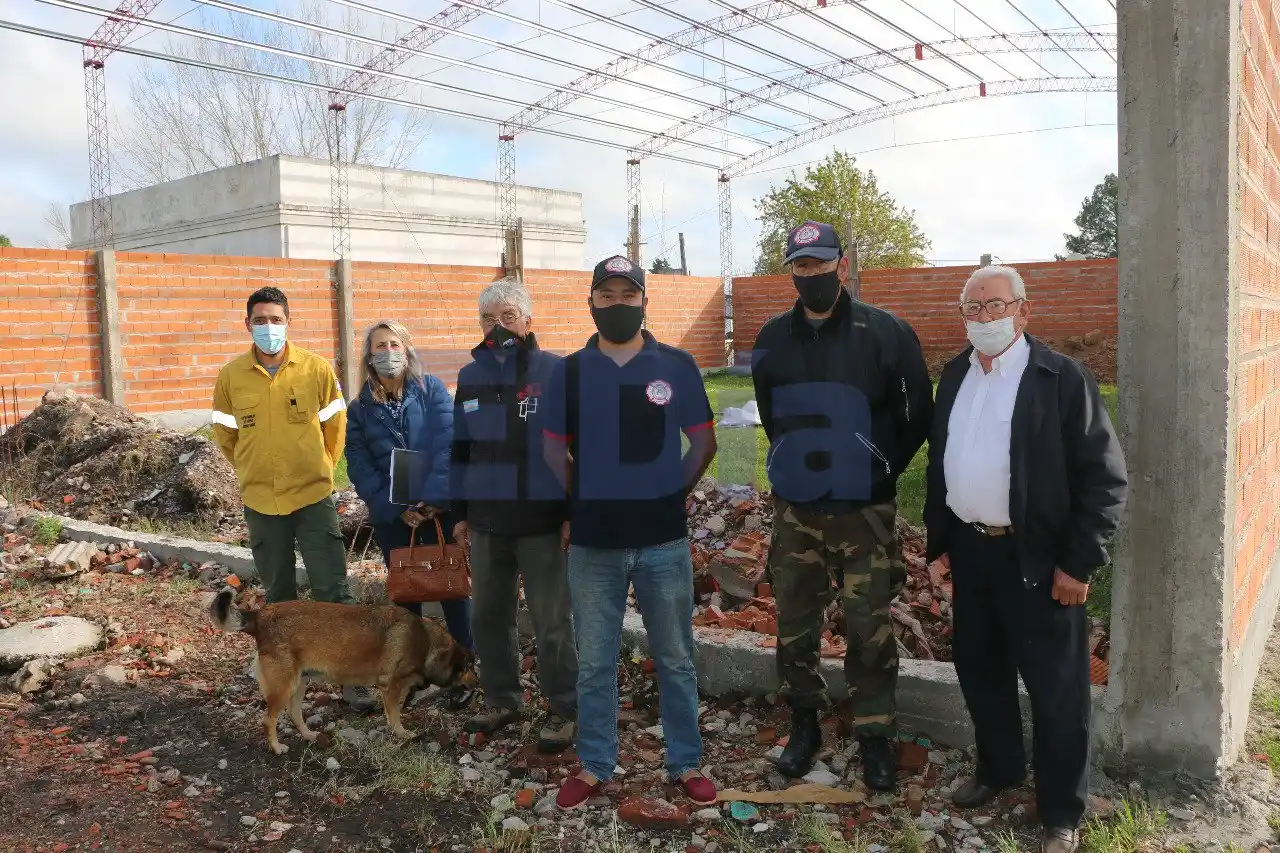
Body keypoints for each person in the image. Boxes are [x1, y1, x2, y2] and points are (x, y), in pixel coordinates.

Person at [924, 265, 1127, 853]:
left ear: (1023, 311)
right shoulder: (957, 374)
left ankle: (1061, 809)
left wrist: (1078, 563)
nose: (983, 319)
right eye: (972, 309)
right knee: (979, 667)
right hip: (971, 550)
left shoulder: (1060, 378)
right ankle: (1000, 768)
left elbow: (1104, 479)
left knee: (1057, 687)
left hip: (1039, 558)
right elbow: (943, 463)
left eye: (994, 306)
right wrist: (940, 545)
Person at [750, 221, 933, 791]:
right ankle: (804, 725)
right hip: (797, 510)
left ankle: (875, 735)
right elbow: (768, 413)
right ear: (792, 270)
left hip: (864, 511)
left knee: (868, 625)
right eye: (802, 266)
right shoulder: (773, 338)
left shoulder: (884, 332)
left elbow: (917, 413)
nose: (813, 275)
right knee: (795, 625)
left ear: (842, 264)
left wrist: (879, 470)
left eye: (821, 264)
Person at [542, 255, 719, 810]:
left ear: (645, 301)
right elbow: (551, 448)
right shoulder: (568, 372)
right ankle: (595, 764)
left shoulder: (678, 365)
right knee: (595, 661)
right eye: (607, 295)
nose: (618, 304)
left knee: (676, 656)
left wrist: (670, 494)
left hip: (663, 541)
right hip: (594, 544)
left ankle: (685, 761)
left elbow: (704, 443)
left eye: (628, 294)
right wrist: (583, 500)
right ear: (591, 302)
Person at [211, 286, 365, 708]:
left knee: (332, 589)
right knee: (279, 596)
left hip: (313, 498)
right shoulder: (230, 377)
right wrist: (252, 469)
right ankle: (289, 675)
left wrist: (318, 469)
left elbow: (336, 430)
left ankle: (353, 677)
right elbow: (226, 436)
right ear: (247, 325)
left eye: (275, 319)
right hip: (262, 502)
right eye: (260, 320)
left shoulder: (315, 370)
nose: (268, 327)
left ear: (288, 322)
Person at [450, 279, 578, 752]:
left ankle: (563, 706)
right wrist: (459, 513)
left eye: (507, 317)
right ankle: (503, 699)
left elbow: (574, 451)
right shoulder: (470, 377)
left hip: (543, 522)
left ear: (528, 320)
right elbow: (461, 448)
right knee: (488, 616)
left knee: (552, 622)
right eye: (488, 319)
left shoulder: (555, 372)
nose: (498, 327)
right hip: (486, 522)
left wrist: (571, 514)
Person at [344, 320, 476, 710]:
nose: (387, 351)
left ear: (407, 348)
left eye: (394, 343)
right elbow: (358, 463)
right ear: (369, 356)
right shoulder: (360, 408)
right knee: (408, 595)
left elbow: (449, 443)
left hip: (439, 511)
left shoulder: (431, 389)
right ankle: (415, 672)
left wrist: (433, 498)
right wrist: (391, 509)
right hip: (394, 518)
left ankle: (463, 668)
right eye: (379, 346)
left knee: (453, 589)